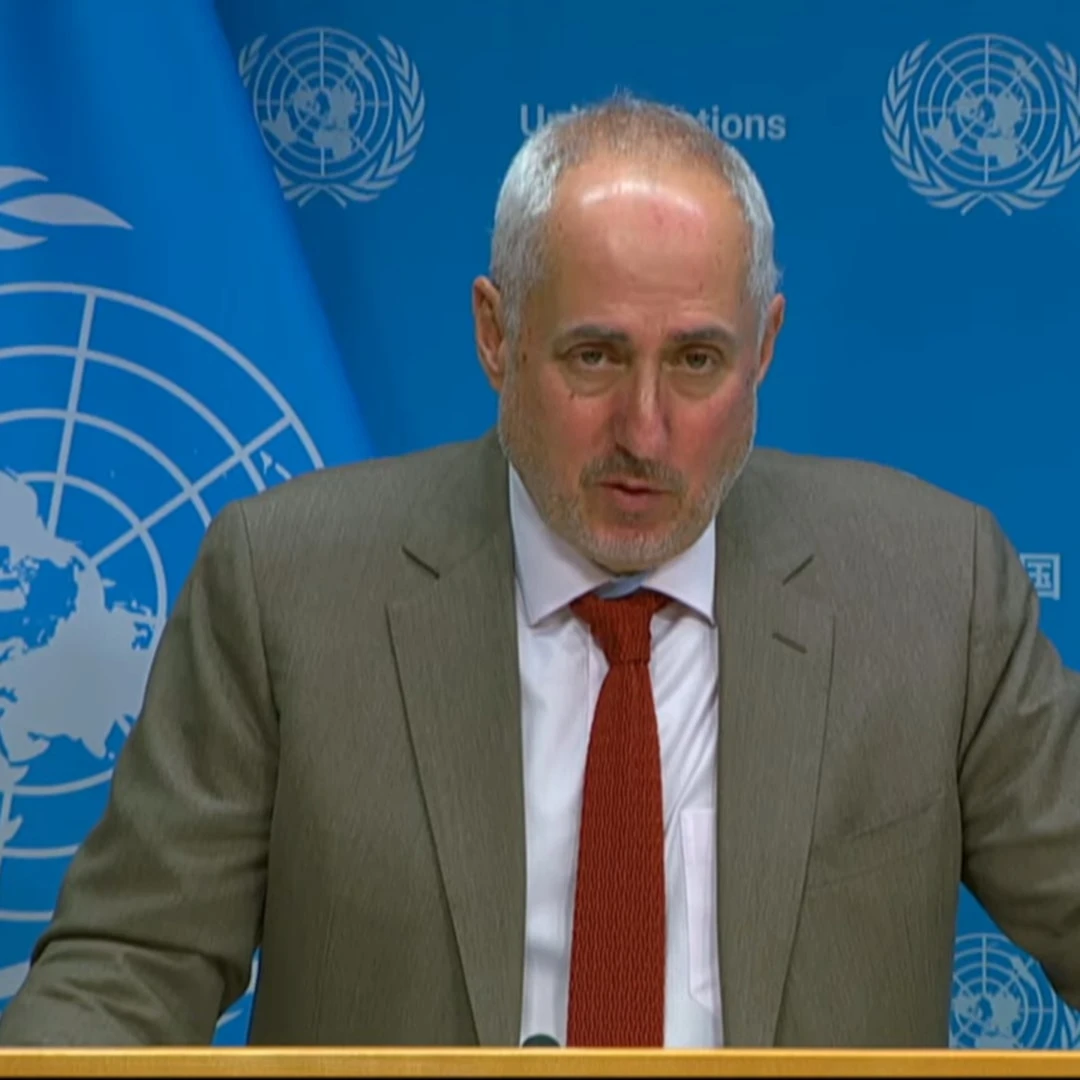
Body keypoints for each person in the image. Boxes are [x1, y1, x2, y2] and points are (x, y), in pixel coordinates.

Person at [1, 94, 1078, 1049]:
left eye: (697, 361)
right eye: (594, 357)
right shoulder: (284, 585)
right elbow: (128, 967)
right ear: (495, 334)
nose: (644, 431)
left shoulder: (935, 591)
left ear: (765, 348)